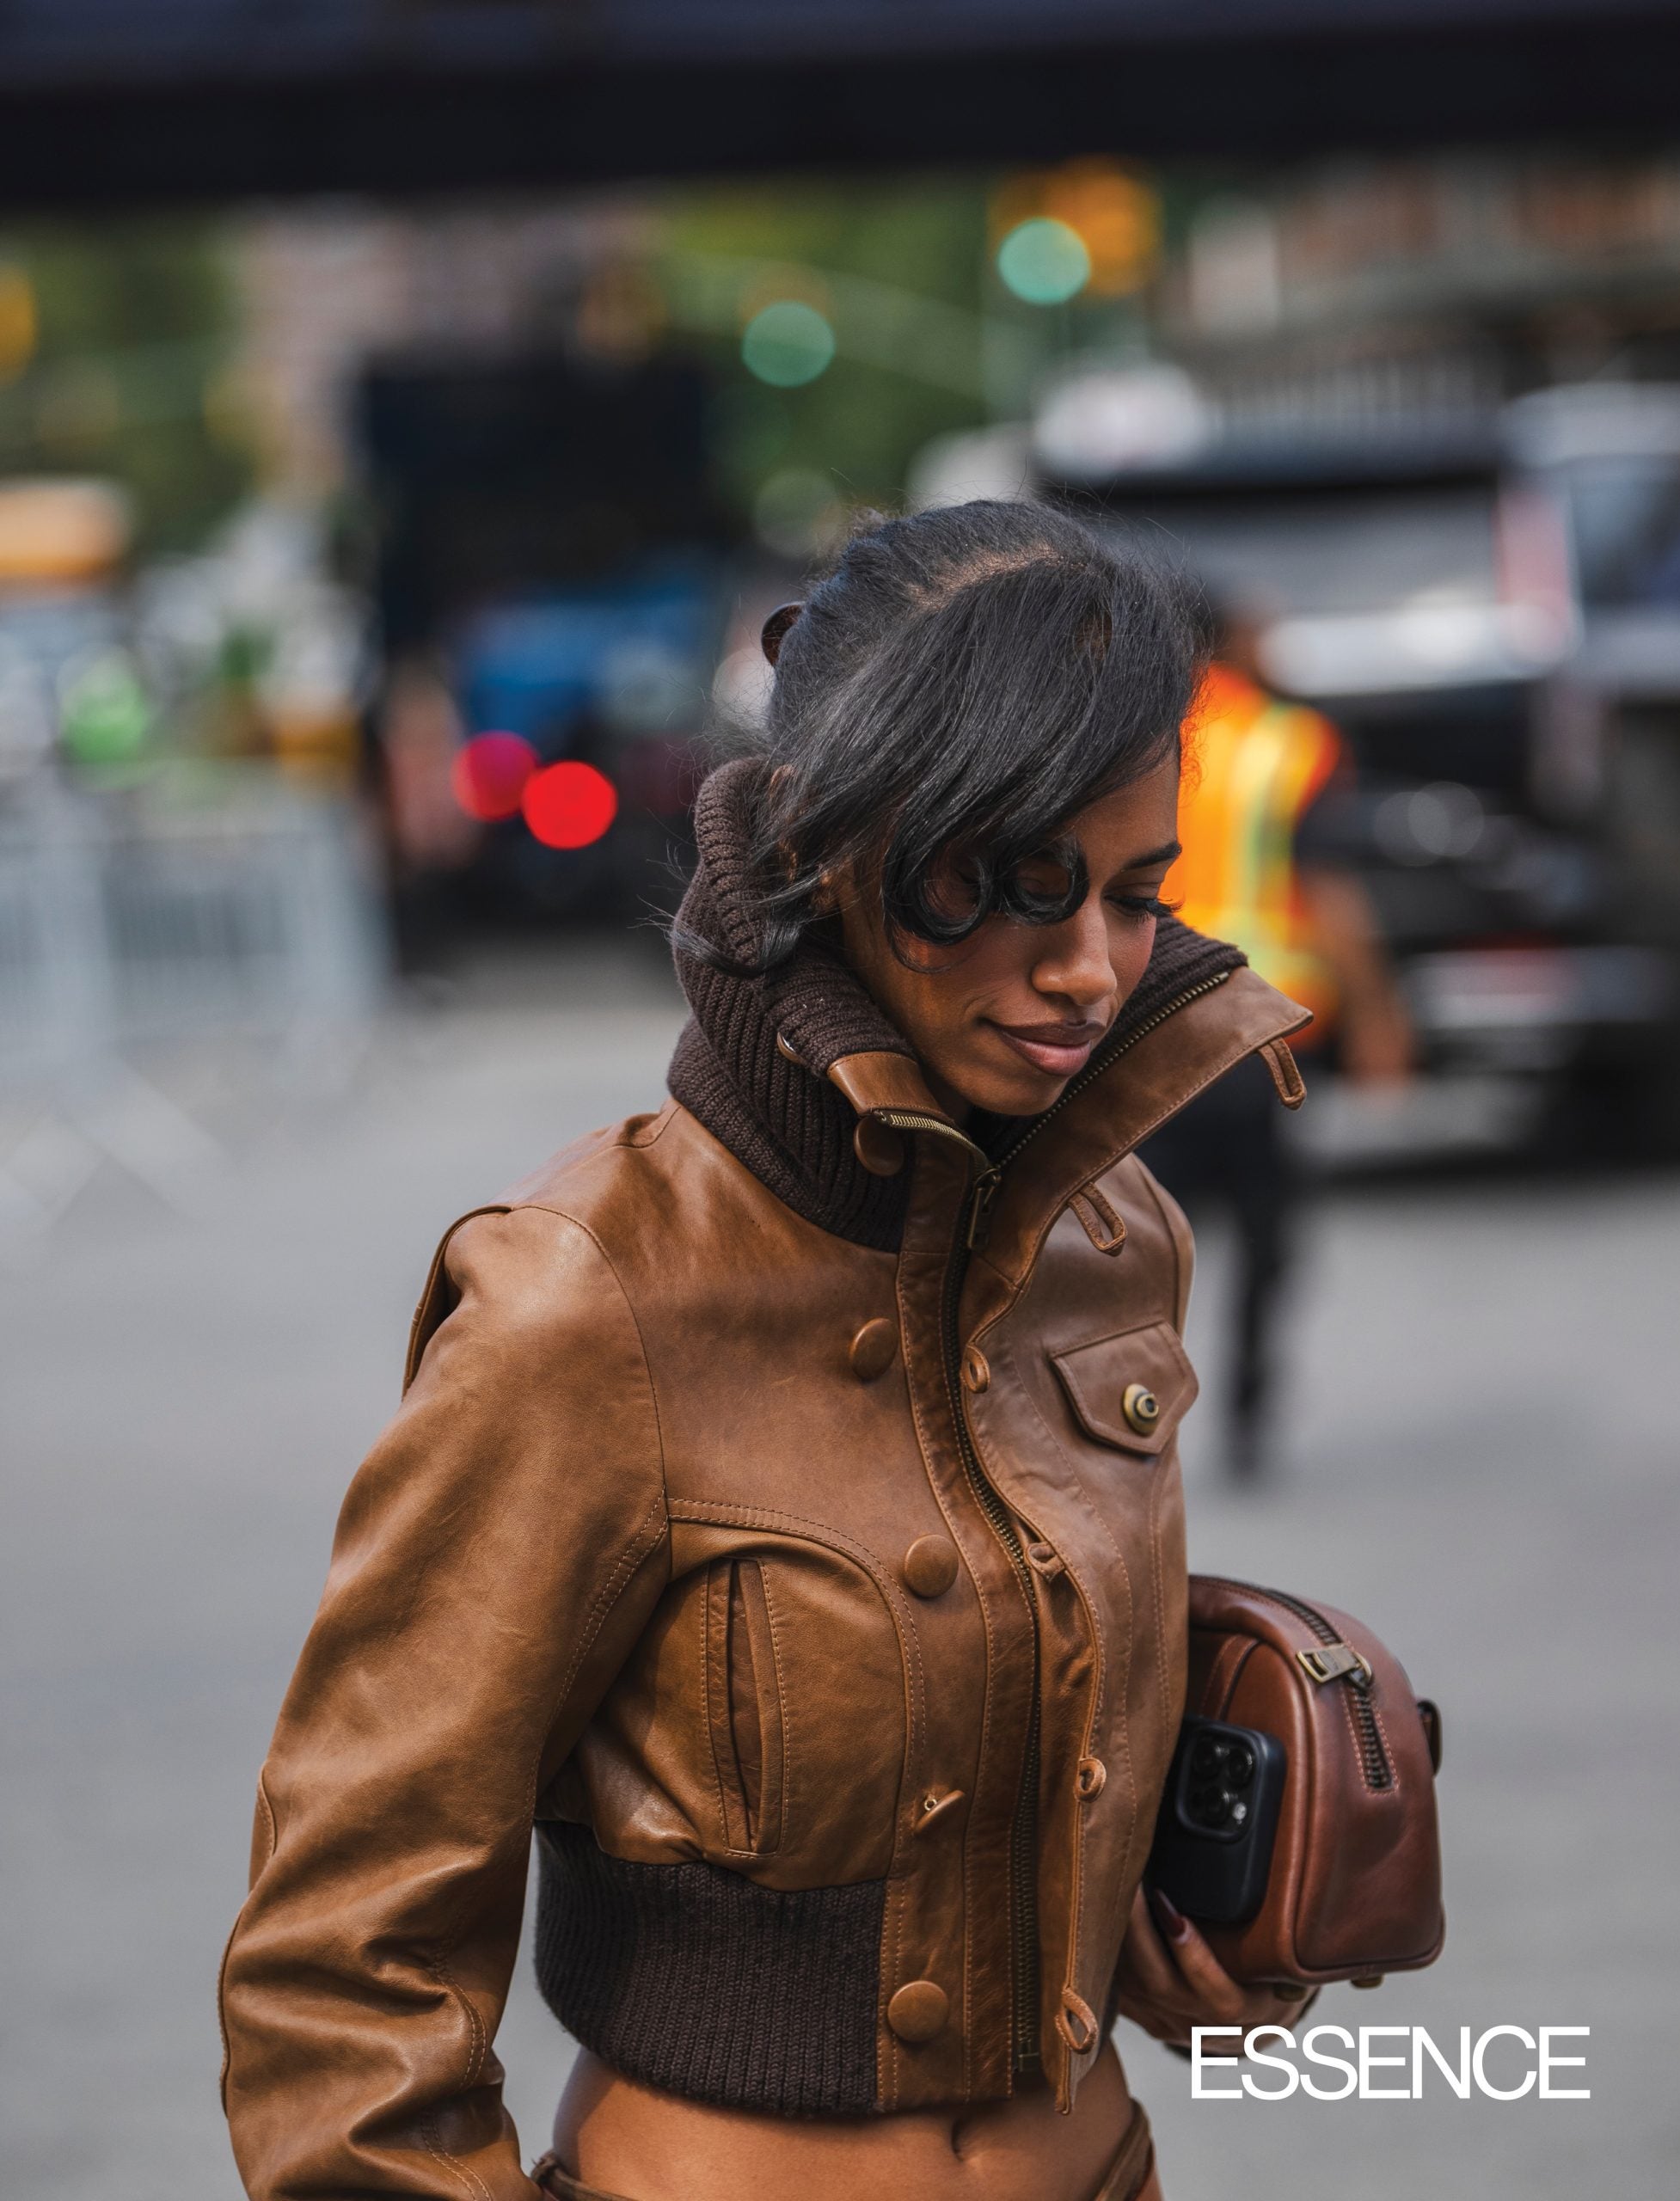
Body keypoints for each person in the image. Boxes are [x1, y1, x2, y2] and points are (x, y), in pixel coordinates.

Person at [219, 503, 1320, 2201]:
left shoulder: (1115, 1243)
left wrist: (1178, 1909)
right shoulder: (583, 1296)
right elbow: (336, 1970)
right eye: (1018, 882)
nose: (1094, 964)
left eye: (1131, 891)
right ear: (838, 852)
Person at [1139, 604, 1412, 1475]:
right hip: (1259, 1029)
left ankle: (1131, 1414)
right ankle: (1248, 1414)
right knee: (1264, 1232)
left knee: (1143, 1238)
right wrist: (1377, 1012)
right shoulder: (1289, 743)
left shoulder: (1130, 740)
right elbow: (1327, 889)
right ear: (1235, 642)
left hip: (1143, 1025)